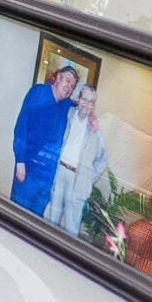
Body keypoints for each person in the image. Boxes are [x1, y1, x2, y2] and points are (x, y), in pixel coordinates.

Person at [8, 62, 81, 219]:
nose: (69, 88)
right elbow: (21, 127)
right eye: (67, 81)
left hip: (48, 177)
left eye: (73, 86)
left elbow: (80, 106)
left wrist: (92, 116)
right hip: (29, 170)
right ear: (58, 77)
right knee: (17, 216)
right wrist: (20, 161)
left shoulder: (65, 104)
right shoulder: (38, 93)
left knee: (35, 222)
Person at [47, 80, 105, 238]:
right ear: (78, 99)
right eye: (84, 99)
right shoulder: (68, 114)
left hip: (79, 178)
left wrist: (88, 178)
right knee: (54, 214)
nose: (87, 104)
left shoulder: (97, 130)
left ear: (94, 106)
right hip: (60, 170)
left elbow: (102, 161)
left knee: (72, 224)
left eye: (91, 102)